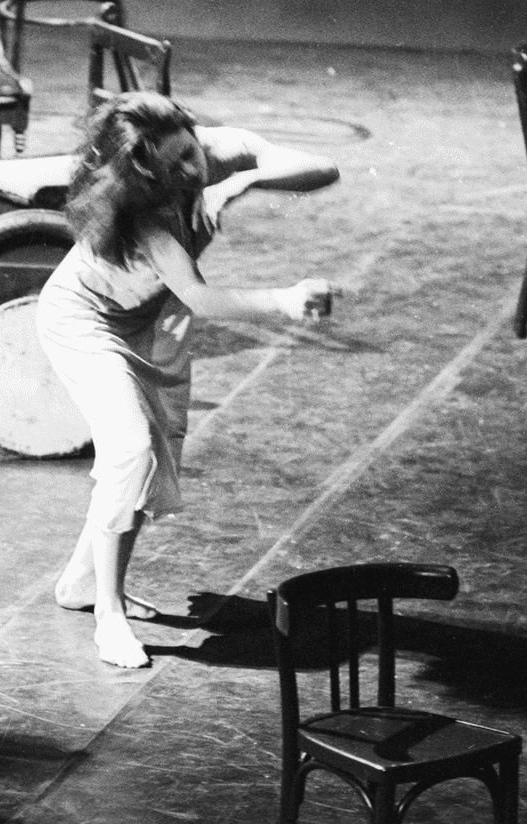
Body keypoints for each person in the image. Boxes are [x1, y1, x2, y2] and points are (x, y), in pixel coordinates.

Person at [36, 92, 340, 668]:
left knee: (149, 456)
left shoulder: (214, 151)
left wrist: (242, 182)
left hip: (147, 319)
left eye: (190, 151)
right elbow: (199, 295)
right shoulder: (141, 210)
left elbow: (325, 168)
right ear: (143, 172)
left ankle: (79, 582)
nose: (191, 169)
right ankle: (108, 612)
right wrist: (285, 299)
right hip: (85, 323)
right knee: (132, 449)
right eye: (173, 166)